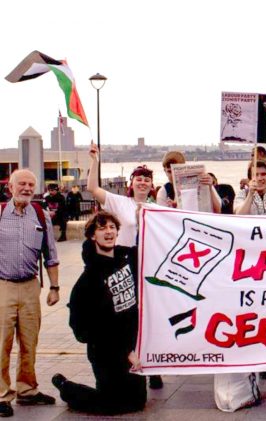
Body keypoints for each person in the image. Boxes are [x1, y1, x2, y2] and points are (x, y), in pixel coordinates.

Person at [52, 211, 146, 415]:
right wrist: (124, 352)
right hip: (106, 353)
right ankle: (66, 387)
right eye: (102, 228)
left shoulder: (126, 260)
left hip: (130, 347)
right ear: (93, 236)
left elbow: (152, 245)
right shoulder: (88, 280)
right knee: (113, 404)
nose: (108, 231)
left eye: (112, 227)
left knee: (137, 402)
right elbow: (82, 328)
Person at [86, 143, 162, 389]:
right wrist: (95, 161)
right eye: (139, 179)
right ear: (132, 182)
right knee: (127, 311)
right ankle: (128, 356)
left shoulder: (157, 208)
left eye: (146, 180)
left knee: (148, 313)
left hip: (148, 260)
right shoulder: (119, 202)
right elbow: (92, 188)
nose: (142, 183)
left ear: (152, 185)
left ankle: (152, 364)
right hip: (125, 258)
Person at [0, 169, 60, 417]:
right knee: (1, 343)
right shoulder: (0, 213)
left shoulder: (40, 214)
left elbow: (51, 253)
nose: (26, 188)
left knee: (29, 341)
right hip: (3, 286)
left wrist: (54, 287)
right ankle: (2, 394)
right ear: (10, 187)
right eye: (21, 184)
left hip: (31, 286)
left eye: (30, 184)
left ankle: (27, 390)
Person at [156, 151, 221, 212]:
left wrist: (210, 187)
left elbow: (218, 211)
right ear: (165, 171)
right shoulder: (164, 192)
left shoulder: (203, 182)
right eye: (169, 171)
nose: (173, 175)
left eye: (176, 171)